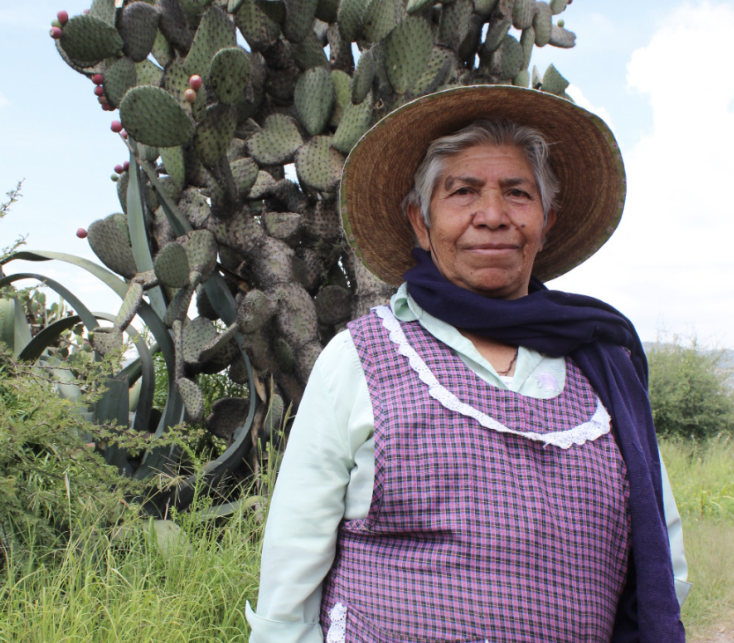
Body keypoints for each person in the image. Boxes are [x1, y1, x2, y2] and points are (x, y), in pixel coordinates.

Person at [246, 85, 690, 643]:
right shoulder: (361, 359)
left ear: (546, 220)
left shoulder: (605, 370)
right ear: (420, 220)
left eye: (518, 194)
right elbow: (289, 590)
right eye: (462, 192)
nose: (493, 215)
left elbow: (661, 566)